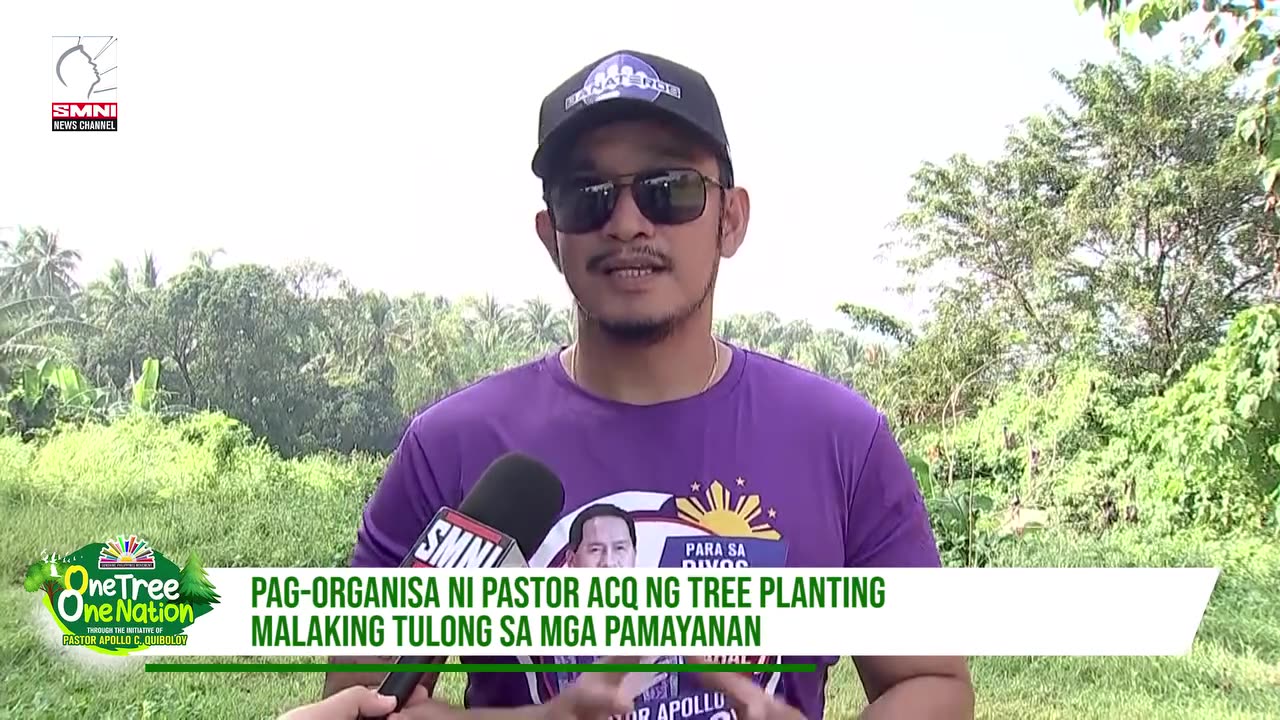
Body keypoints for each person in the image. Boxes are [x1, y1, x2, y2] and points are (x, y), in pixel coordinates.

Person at [324, 49, 975, 719]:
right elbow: (361, 702)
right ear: (552, 236)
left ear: (730, 219)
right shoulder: (451, 447)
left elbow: (928, 681)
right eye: (588, 195)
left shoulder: (840, 440)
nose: (628, 222)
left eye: (669, 189)